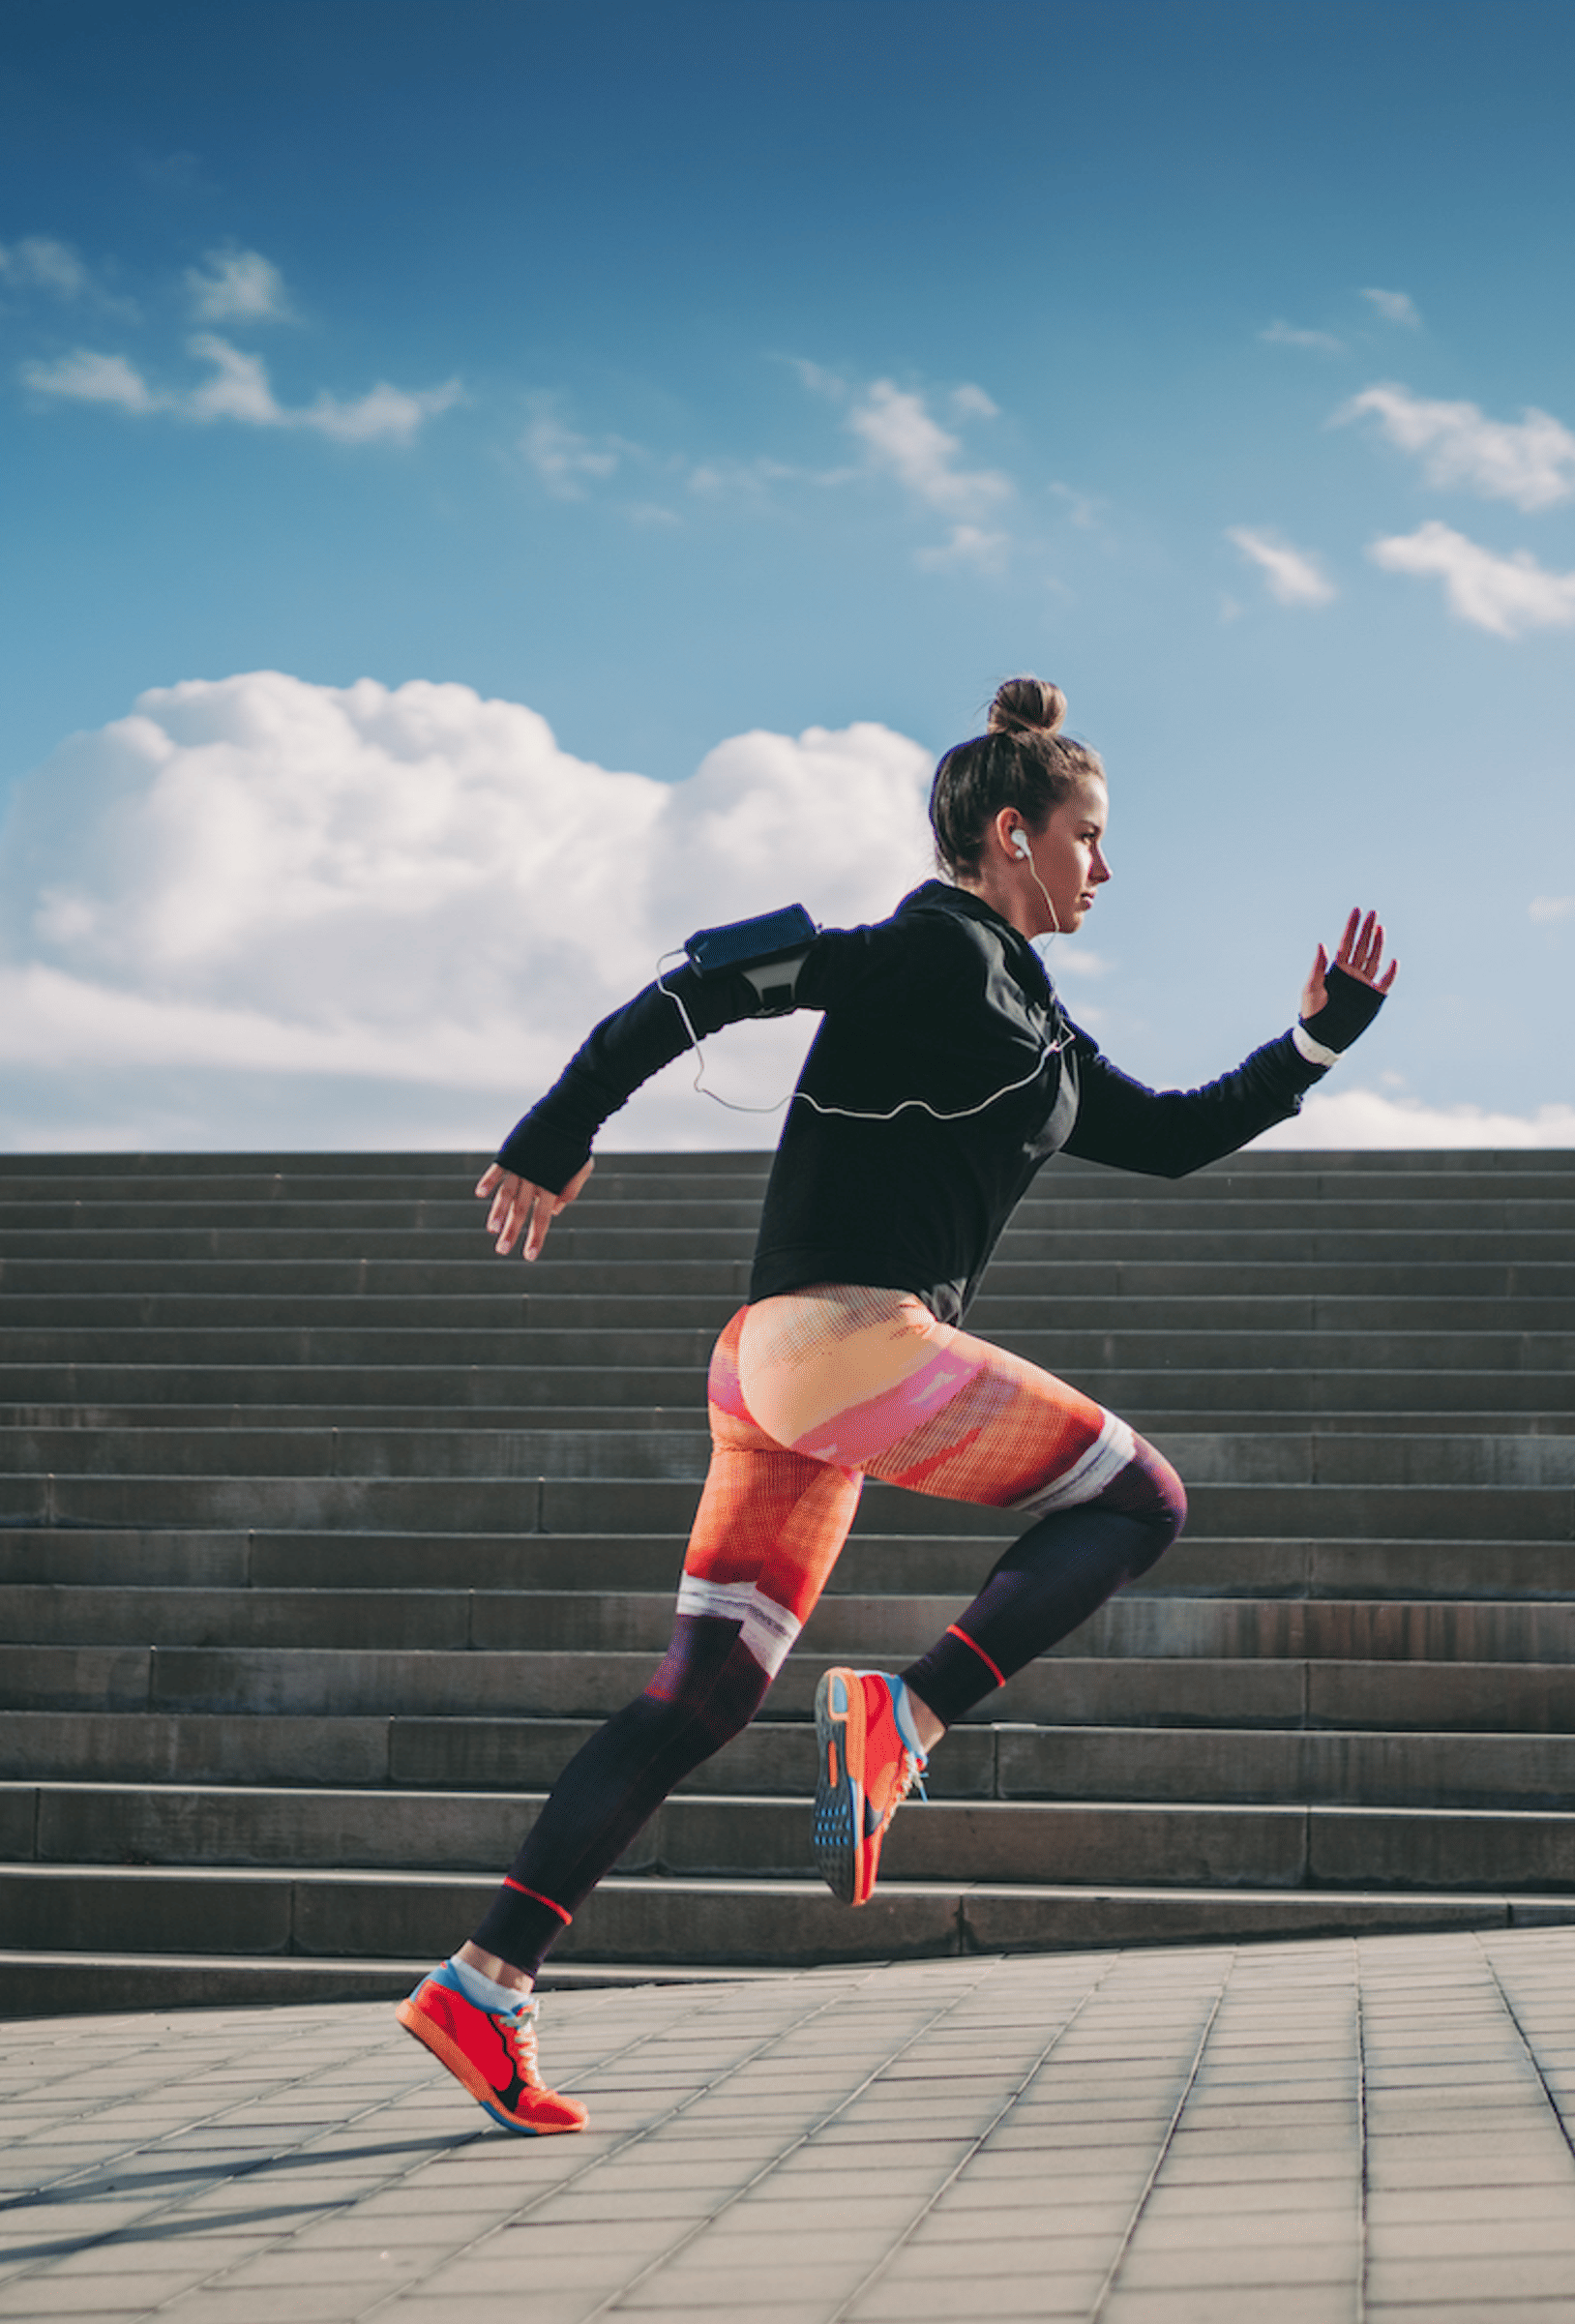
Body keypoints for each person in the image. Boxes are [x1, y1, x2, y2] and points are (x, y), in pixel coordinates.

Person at [398, 676, 1398, 2134]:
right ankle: (904, 1720)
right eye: (1091, 839)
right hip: (845, 1342)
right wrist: (557, 1130)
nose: (1106, 870)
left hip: (777, 1378)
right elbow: (701, 984)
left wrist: (1316, 1044)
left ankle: (486, 1983)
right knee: (1138, 1500)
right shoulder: (925, 954)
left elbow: (1176, 1140)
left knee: (705, 1694)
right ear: (1012, 835)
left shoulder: (1035, 1017)